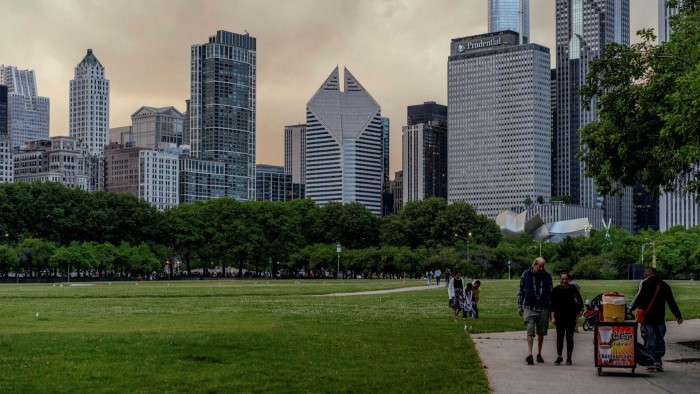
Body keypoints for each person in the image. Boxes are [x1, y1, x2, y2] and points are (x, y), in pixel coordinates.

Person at [628, 267, 683, 372]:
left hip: (647, 318)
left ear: (648, 273)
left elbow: (638, 297)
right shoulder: (664, 285)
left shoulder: (644, 283)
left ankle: (650, 362)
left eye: (646, 271)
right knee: (660, 340)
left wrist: (630, 309)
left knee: (649, 340)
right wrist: (678, 315)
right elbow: (671, 301)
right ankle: (658, 361)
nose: (645, 273)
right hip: (660, 319)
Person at [517, 257, 553, 365]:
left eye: (543, 266)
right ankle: (530, 354)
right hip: (529, 307)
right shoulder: (525, 275)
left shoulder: (547, 276)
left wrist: (551, 311)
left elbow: (551, 294)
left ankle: (539, 353)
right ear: (534, 264)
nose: (541, 269)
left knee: (541, 332)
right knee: (530, 330)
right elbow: (521, 291)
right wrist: (519, 305)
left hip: (543, 308)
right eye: (539, 266)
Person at [550, 271, 583, 365]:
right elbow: (552, 305)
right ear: (560, 279)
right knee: (559, 336)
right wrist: (553, 317)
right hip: (559, 316)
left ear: (569, 279)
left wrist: (580, 310)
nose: (564, 281)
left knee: (569, 337)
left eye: (566, 279)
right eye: (562, 279)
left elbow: (579, 300)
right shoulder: (556, 290)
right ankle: (559, 356)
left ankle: (569, 358)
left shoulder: (573, 288)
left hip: (570, 316)